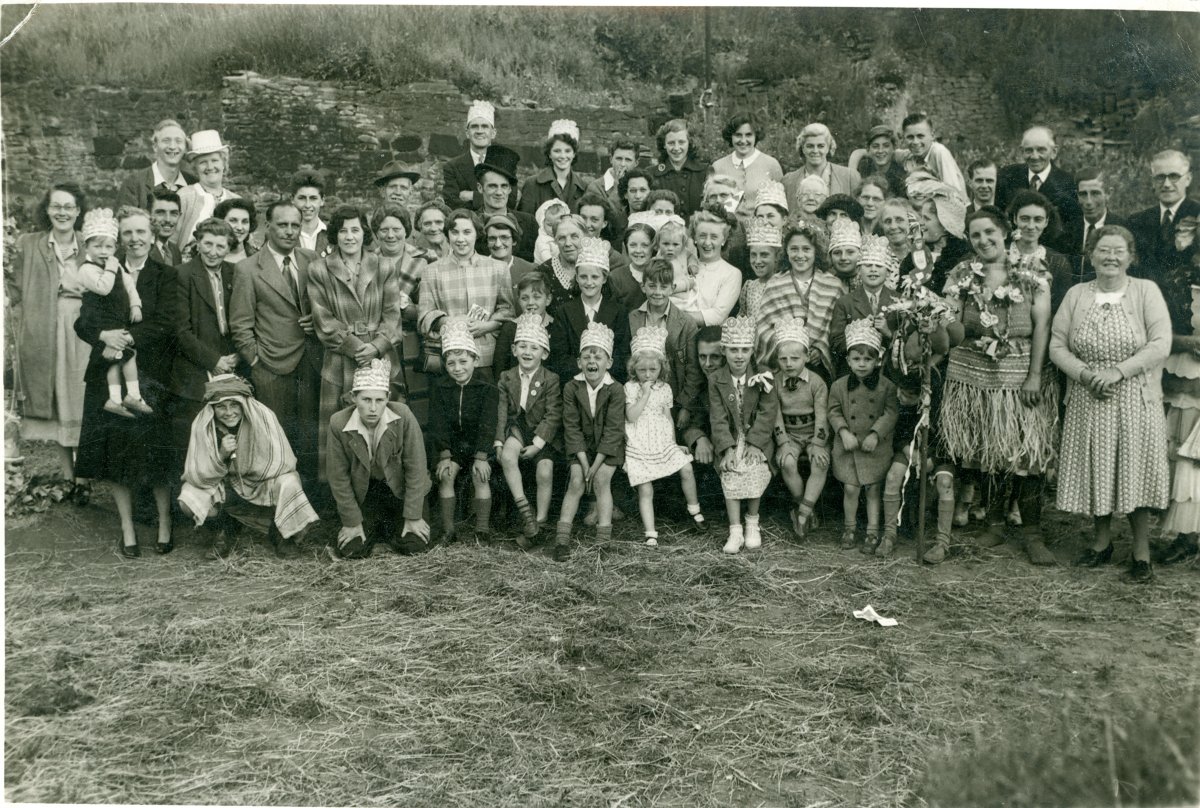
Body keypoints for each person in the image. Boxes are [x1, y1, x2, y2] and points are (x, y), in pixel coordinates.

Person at [1051, 226, 1171, 584]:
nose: (1111, 257)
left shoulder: (1145, 291)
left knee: (1133, 471)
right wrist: (1086, 375)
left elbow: (1161, 343)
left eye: (1119, 251)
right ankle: (1101, 544)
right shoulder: (1076, 294)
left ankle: (1140, 554)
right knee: (1096, 469)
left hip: (1135, 397)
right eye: (1103, 250)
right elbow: (1057, 345)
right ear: (1091, 256)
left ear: (1130, 257)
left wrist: (1118, 373)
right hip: (1089, 398)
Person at [940, 207, 1058, 566]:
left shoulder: (1031, 273)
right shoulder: (961, 274)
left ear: (1005, 232)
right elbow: (951, 323)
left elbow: (1042, 327)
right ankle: (993, 523)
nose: (984, 240)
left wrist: (1034, 375)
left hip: (1022, 373)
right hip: (974, 374)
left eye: (990, 232)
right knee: (988, 450)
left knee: (1027, 453)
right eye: (975, 235)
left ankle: (1033, 533)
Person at [74, 206, 178, 558]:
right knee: (116, 452)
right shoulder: (102, 268)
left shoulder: (164, 274)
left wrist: (126, 338)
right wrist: (104, 334)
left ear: (151, 236)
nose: (134, 239)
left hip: (150, 371)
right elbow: (82, 320)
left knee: (156, 451)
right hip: (108, 367)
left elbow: (165, 322)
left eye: (140, 232)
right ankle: (127, 527)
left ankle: (164, 523)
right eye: (128, 233)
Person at [228, 201, 323, 485]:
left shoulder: (311, 260)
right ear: (268, 226)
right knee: (275, 435)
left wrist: (316, 320)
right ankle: (276, 500)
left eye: (296, 225)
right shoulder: (248, 269)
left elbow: (327, 305)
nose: (290, 231)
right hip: (270, 364)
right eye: (282, 225)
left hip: (309, 360)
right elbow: (240, 324)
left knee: (308, 433)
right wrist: (256, 362)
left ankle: (306, 501)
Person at [307, 204, 404, 481]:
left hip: (379, 356)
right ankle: (342, 495)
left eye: (355, 230)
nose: (349, 236)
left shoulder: (384, 266)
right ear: (334, 235)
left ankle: (383, 490)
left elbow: (393, 315)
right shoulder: (319, 270)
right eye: (343, 231)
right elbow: (323, 321)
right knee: (342, 426)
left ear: (364, 233)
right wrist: (354, 347)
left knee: (382, 423)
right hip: (340, 360)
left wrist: (375, 347)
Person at [7, 183, 91, 498]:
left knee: (80, 400)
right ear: (47, 210)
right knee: (56, 400)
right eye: (56, 206)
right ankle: (69, 478)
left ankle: (83, 477)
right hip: (45, 332)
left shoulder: (89, 244)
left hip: (82, 333)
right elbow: (12, 287)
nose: (62, 212)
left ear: (78, 211)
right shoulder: (29, 244)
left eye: (68, 207)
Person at [178, 374, 319, 560]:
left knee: (289, 481)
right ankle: (225, 529)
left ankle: (282, 535)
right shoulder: (204, 425)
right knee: (187, 498)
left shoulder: (263, 416)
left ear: (244, 403)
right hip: (225, 483)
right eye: (221, 406)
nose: (229, 412)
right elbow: (197, 473)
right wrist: (222, 455)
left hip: (260, 480)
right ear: (212, 408)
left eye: (234, 404)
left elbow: (283, 463)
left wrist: (246, 469)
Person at [326, 358, 433, 559]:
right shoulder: (338, 423)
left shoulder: (403, 416)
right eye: (366, 400)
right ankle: (377, 528)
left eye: (379, 400)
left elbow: (416, 468)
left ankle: (390, 528)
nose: (373, 408)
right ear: (353, 398)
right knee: (352, 550)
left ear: (388, 398)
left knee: (415, 545)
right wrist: (352, 522)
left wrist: (413, 516)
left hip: (401, 489)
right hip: (367, 491)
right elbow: (337, 477)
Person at [624, 325, 708, 546]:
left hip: (662, 440)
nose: (648, 375)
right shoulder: (631, 388)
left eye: (653, 369)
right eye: (643, 371)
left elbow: (668, 418)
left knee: (686, 467)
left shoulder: (666, 389)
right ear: (634, 370)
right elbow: (631, 417)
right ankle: (651, 532)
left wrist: (674, 443)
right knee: (646, 487)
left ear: (662, 367)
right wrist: (644, 394)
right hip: (640, 441)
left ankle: (694, 510)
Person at [170, 217, 242, 475]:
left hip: (232, 364)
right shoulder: (182, 275)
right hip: (195, 369)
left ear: (229, 247)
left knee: (231, 440)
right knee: (197, 441)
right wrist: (214, 361)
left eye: (220, 246)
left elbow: (243, 318)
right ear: (197, 243)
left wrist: (237, 355)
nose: (213, 252)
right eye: (207, 244)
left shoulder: (235, 273)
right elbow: (180, 331)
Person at [555, 322, 626, 561]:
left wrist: (595, 467)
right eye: (586, 356)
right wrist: (585, 464)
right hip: (582, 449)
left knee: (601, 480)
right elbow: (571, 427)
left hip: (608, 449)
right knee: (576, 481)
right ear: (579, 362)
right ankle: (562, 540)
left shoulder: (616, 389)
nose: (591, 361)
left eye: (598, 356)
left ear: (609, 363)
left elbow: (614, 430)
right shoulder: (571, 388)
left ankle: (602, 541)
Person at [709, 316, 778, 554]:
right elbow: (717, 417)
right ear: (724, 351)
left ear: (752, 351)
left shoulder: (764, 376)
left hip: (755, 439)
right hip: (731, 437)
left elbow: (768, 413)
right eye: (733, 350)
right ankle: (735, 529)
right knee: (730, 470)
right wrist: (726, 449)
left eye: (745, 350)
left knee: (753, 468)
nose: (739, 356)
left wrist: (757, 444)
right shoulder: (716, 379)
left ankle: (752, 522)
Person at [416, 208, 516, 373]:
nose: (460, 239)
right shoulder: (431, 271)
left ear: (477, 234)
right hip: (448, 357)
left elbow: (508, 310)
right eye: (455, 232)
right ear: (447, 234)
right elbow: (424, 317)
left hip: (486, 356)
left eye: (467, 232)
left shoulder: (498, 269)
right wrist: (450, 321)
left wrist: (487, 325)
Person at [75, 208, 152, 418]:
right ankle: (125, 397)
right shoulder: (86, 269)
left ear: (115, 247)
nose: (103, 251)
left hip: (118, 320)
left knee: (121, 357)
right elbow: (103, 288)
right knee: (119, 357)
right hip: (101, 320)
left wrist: (136, 305)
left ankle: (121, 398)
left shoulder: (115, 265)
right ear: (86, 246)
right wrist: (111, 267)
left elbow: (128, 285)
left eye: (108, 246)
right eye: (97, 246)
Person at [829, 319, 898, 553]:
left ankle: (872, 530)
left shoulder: (886, 386)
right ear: (848, 360)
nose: (861, 364)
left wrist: (876, 434)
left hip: (873, 447)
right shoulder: (838, 386)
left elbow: (891, 412)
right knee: (850, 488)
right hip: (848, 446)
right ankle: (849, 528)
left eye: (868, 359)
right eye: (856, 359)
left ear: (878, 360)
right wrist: (843, 431)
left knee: (873, 489)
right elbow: (834, 410)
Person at [427, 318, 498, 543]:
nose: (457, 368)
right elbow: (438, 424)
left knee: (480, 476)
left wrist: (482, 456)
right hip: (454, 447)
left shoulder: (486, 388)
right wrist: (445, 454)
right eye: (451, 363)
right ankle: (449, 530)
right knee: (447, 476)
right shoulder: (440, 389)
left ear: (475, 360)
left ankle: (482, 530)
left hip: (480, 446)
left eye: (463, 361)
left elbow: (489, 424)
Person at [494, 313, 562, 547]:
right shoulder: (506, 377)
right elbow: (502, 411)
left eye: (534, 347)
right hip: (517, 428)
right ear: (514, 350)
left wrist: (539, 444)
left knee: (544, 471)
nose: (527, 352)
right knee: (507, 456)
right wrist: (498, 440)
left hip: (543, 433)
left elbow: (553, 414)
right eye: (522, 346)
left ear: (544, 353)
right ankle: (527, 515)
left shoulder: (551, 379)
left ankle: (540, 523)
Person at [1157, 227, 1200, 565]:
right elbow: (1157, 328)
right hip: (1187, 374)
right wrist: (1186, 341)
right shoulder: (1178, 279)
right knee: (1188, 453)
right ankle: (1188, 535)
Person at [756, 221, 845, 379]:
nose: (800, 255)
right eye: (794, 249)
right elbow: (763, 329)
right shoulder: (775, 283)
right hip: (783, 364)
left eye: (806, 249)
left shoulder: (832, 285)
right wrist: (788, 348)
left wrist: (819, 348)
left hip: (818, 367)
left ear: (815, 251)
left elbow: (834, 329)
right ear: (786, 252)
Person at [628, 258, 703, 439]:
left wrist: (685, 406)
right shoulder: (633, 317)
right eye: (652, 286)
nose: (658, 292)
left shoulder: (686, 323)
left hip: (672, 397)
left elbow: (693, 370)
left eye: (664, 287)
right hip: (639, 396)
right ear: (643, 286)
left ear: (672, 288)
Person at [770, 318, 830, 541]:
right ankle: (804, 507)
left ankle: (802, 513)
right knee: (786, 462)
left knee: (819, 463)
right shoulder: (775, 382)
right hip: (791, 435)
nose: (789, 363)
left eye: (795, 358)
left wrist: (818, 443)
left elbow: (822, 416)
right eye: (783, 359)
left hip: (813, 433)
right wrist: (783, 442)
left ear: (806, 357)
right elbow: (775, 415)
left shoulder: (816, 383)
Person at [547, 237, 631, 382]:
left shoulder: (618, 311)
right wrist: (587, 373)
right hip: (573, 385)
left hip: (608, 386)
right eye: (583, 277)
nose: (589, 282)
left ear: (604, 279)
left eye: (595, 277)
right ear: (577, 278)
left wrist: (599, 376)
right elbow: (559, 356)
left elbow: (622, 355)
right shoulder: (564, 312)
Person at [995, 126, 1081, 254]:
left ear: (1054, 152)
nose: (1034, 156)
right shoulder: (1007, 176)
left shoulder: (1068, 183)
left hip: (1051, 253)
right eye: (1029, 150)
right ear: (1021, 151)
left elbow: (1071, 230)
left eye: (1041, 150)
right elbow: (998, 217)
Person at [1127, 149, 1198, 285]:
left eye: (1174, 176)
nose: (1166, 184)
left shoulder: (1197, 214)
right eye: (1160, 177)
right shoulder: (1137, 221)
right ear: (1153, 181)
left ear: (1188, 179)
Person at [830, 235, 899, 374]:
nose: (873, 269)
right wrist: (860, 333)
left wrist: (888, 333)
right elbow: (835, 342)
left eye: (879, 266)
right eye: (867, 265)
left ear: (888, 271)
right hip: (853, 372)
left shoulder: (899, 301)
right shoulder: (845, 302)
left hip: (888, 372)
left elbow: (908, 342)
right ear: (859, 270)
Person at [1006, 189, 1074, 313]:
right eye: (1025, 219)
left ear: (1046, 222)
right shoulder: (1001, 253)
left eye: (1038, 220)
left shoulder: (1059, 263)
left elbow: (1059, 309)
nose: (1031, 226)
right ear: (1015, 219)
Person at [711, 114, 785, 226]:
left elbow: (781, 206)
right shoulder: (718, 167)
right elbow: (711, 205)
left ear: (756, 136)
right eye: (738, 135)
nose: (743, 140)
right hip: (727, 232)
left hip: (762, 234)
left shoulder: (771, 165)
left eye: (748, 135)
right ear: (731, 136)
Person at [175, 130, 240, 250]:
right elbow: (171, 242)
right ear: (195, 168)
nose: (210, 167)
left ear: (224, 163)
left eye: (215, 160)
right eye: (203, 162)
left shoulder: (236, 200)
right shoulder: (185, 196)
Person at [900, 186, 972, 295]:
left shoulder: (962, 258)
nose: (921, 223)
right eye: (922, 217)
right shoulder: (914, 256)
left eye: (927, 218)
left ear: (945, 224)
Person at [678, 208, 742, 327]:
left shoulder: (732, 273)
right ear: (695, 238)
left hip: (710, 340)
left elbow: (717, 316)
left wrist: (673, 317)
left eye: (714, 237)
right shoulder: (683, 265)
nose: (707, 243)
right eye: (702, 236)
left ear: (723, 239)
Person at [473, 147, 537, 262]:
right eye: (492, 186)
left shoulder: (529, 223)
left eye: (504, 186)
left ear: (509, 189)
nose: (499, 192)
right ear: (480, 188)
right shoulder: (470, 222)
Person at [116, 119, 194, 210]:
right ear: (155, 147)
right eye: (166, 141)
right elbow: (124, 220)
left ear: (185, 148)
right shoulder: (134, 184)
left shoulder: (193, 183)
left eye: (178, 141)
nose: (173, 146)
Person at [519, 119, 589, 216]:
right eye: (557, 151)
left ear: (574, 154)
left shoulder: (583, 187)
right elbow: (524, 221)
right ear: (549, 154)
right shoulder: (532, 184)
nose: (563, 156)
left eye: (568, 151)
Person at [1070, 168, 1128, 283]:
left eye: (1095, 193)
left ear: (1108, 194)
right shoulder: (1068, 230)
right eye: (1083, 194)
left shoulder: (1124, 229)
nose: (1088, 201)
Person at [495, 273, 557, 377]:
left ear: (548, 299)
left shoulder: (556, 327)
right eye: (525, 298)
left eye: (536, 297)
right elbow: (500, 368)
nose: (530, 302)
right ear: (518, 300)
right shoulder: (510, 329)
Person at [442, 100, 501, 209]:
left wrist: (473, 196)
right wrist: (493, 199)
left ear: (493, 133)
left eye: (484, 126)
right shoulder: (452, 167)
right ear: (467, 133)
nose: (479, 131)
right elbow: (452, 203)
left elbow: (510, 200)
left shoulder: (503, 163)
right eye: (474, 126)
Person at [783, 123, 861, 205]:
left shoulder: (850, 177)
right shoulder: (788, 181)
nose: (815, 151)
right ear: (802, 148)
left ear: (828, 147)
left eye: (821, 146)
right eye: (810, 146)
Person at [901, 113, 967, 202]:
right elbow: (895, 154)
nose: (915, 142)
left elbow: (953, 194)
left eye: (920, 136)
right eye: (910, 137)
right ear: (904, 138)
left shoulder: (939, 152)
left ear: (932, 135)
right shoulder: (910, 156)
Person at [650, 119, 709, 216]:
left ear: (690, 143)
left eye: (681, 142)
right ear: (664, 145)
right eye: (671, 143)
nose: (676, 148)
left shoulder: (705, 171)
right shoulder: (652, 174)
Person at [585, 139, 640, 230]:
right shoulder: (595, 187)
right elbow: (607, 219)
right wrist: (617, 186)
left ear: (636, 163)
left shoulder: (640, 185)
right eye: (619, 159)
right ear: (611, 159)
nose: (622, 164)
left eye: (628, 160)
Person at [534, 213, 588, 307]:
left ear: (585, 238)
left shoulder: (597, 269)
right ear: (555, 241)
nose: (568, 243)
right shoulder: (543, 273)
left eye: (574, 236)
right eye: (562, 238)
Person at [740, 220, 783, 324]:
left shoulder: (783, 285)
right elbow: (742, 316)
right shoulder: (749, 287)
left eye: (764, 255)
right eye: (753, 255)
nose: (758, 261)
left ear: (776, 257)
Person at [607, 218, 654, 311]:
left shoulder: (661, 273)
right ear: (626, 247)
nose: (638, 250)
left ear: (653, 247)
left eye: (644, 245)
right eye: (633, 245)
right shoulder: (615, 277)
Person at [850, 124, 907, 200]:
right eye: (875, 146)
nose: (880, 151)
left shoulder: (900, 174)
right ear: (868, 149)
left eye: (886, 146)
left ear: (894, 148)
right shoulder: (863, 168)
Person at [485, 212, 536, 290]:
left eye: (504, 237)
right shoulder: (477, 269)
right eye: (492, 238)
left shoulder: (529, 269)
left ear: (514, 241)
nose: (498, 244)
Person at [290, 169, 329, 255]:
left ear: (322, 200)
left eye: (313, 198)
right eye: (302, 198)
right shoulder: (283, 234)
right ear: (292, 199)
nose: (307, 205)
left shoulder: (332, 233)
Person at [213, 197, 258, 264]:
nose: (240, 228)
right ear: (220, 221)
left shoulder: (258, 257)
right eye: (233, 221)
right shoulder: (208, 256)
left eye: (245, 222)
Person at [148, 188, 184, 266]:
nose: (168, 219)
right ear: (148, 214)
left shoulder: (175, 251)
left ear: (179, 216)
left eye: (174, 213)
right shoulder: (140, 249)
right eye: (160, 213)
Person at [825, 217, 864, 289]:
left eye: (850, 252)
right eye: (837, 253)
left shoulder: (870, 283)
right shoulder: (826, 283)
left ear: (860, 254)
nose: (843, 257)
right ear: (830, 256)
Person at [533, 199, 570, 265]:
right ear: (542, 223)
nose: (553, 228)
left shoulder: (565, 236)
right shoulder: (543, 239)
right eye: (549, 225)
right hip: (545, 268)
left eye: (558, 224)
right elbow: (546, 258)